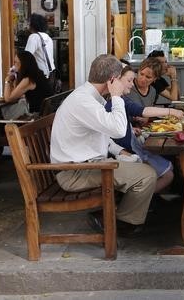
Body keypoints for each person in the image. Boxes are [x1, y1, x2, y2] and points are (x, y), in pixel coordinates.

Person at [50, 54, 157, 237]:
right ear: (112, 80)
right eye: (124, 80)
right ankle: (118, 223)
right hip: (74, 172)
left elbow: (103, 136)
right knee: (146, 176)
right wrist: (116, 96)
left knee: (142, 168)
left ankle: (113, 216)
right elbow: (118, 130)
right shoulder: (84, 102)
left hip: (85, 165)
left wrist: (120, 151)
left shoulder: (88, 98)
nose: (128, 85)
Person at [109, 65, 182, 193]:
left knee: (169, 170)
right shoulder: (116, 102)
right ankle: (136, 200)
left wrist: (131, 129)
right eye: (129, 80)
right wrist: (171, 111)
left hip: (132, 148)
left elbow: (118, 124)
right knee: (168, 175)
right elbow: (141, 111)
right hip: (128, 153)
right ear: (116, 80)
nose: (132, 84)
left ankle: (146, 199)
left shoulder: (120, 100)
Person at [3, 49, 53, 115]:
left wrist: (7, 80)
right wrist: (15, 79)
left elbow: (8, 99)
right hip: (44, 115)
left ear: (23, 64)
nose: (14, 65)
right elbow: (16, 94)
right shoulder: (38, 75)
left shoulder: (28, 80)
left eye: (15, 62)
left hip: (35, 116)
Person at [24, 13, 55, 77]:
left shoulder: (34, 37)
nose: (27, 25)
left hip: (39, 73)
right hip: (50, 72)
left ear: (33, 25)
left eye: (29, 23)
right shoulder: (48, 38)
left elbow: (26, 56)